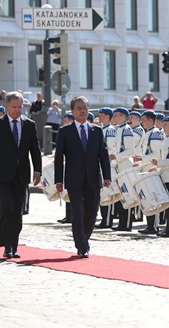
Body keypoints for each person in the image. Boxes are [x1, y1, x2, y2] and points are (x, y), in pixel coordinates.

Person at [0, 91, 42, 259]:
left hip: (21, 175)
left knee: (17, 211)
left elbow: (35, 149)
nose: (17, 110)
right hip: (1, 175)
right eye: (14, 107)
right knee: (6, 208)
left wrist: (37, 170)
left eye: (20, 107)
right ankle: (5, 244)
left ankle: (13, 246)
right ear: (6, 106)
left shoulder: (29, 124)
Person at [54, 96, 111, 258]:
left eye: (85, 107)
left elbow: (103, 154)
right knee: (77, 212)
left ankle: (84, 237)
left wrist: (107, 175)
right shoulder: (65, 131)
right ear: (72, 111)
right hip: (74, 179)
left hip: (93, 178)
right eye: (79, 108)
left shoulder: (97, 130)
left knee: (92, 212)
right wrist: (59, 180)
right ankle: (82, 245)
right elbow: (59, 157)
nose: (82, 110)